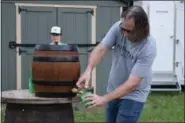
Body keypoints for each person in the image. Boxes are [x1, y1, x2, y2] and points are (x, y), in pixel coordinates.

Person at [76, 6, 157, 123]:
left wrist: (103, 99)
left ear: (141, 29)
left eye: (128, 31)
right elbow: (101, 49)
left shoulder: (148, 47)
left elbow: (132, 83)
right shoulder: (119, 27)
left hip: (134, 94)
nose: (123, 33)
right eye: (122, 28)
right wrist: (88, 70)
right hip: (114, 88)